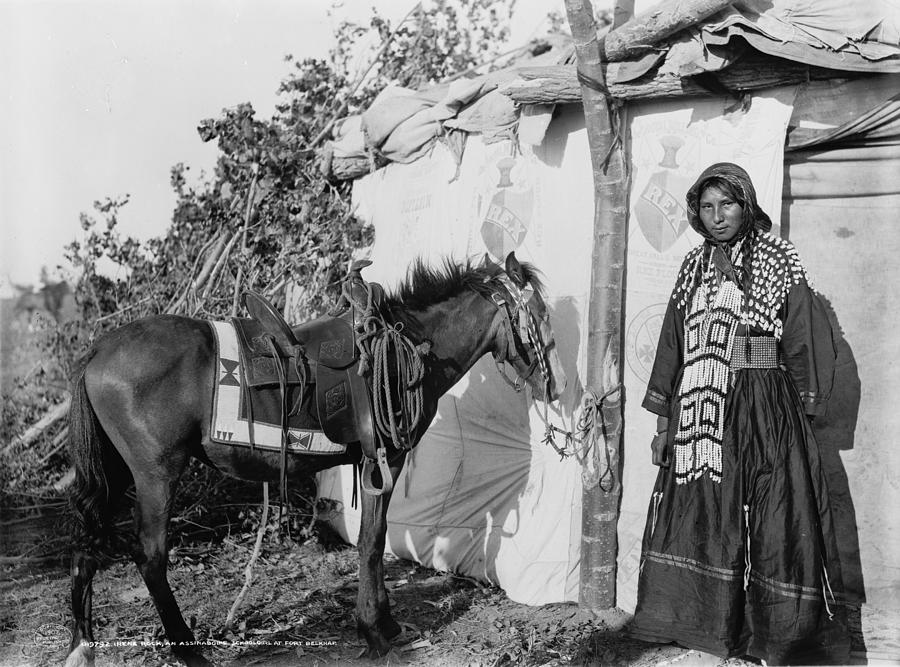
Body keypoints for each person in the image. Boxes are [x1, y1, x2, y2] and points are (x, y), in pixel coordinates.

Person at [628, 162, 849, 664]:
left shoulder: (779, 257)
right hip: (702, 407)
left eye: (726, 204)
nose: (717, 216)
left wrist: (802, 409)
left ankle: (775, 634)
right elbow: (672, 342)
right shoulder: (692, 267)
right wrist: (664, 423)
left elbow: (802, 333)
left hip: (765, 398)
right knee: (708, 507)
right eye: (707, 208)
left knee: (774, 512)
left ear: (746, 205)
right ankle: (704, 624)